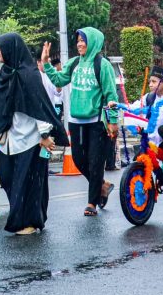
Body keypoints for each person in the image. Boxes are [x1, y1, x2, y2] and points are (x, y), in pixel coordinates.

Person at [0, 33, 64, 234]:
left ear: (10, 49)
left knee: (28, 184)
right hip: (10, 141)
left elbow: (39, 105)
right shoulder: (5, 74)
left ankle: (28, 223)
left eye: (0, 47)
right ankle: (27, 218)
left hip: (30, 140)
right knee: (6, 176)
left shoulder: (30, 75)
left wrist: (44, 136)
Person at [42, 28, 119, 217]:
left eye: (83, 40)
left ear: (93, 42)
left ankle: (92, 202)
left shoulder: (103, 65)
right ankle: (101, 185)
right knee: (77, 158)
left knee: (95, 162)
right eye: (77, 41)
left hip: (96, 121)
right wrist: (46, 63)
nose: (79, 44)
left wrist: (113, 120)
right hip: (75, 120)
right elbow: (59, 79)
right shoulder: (74, 62)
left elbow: (111, 94)